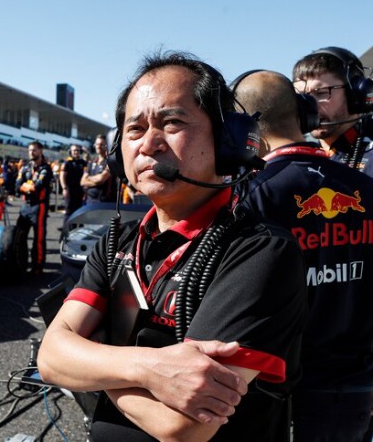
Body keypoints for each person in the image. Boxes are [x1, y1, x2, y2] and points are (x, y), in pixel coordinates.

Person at [37, 52, 308, 442]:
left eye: (172, 123)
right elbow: (51, 357)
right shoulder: (117, 242)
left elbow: (183, 426)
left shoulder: (262, 252)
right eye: (134, 129)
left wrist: (95, 357)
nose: (149, 144)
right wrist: (150, 368)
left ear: (228, 140)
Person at [234, 70, 373, 442]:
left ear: (244, 125)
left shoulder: (252, 194)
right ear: (303, 113)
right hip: (357, 391)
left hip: (283, 394)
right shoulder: (365, 187)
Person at [293, 47, 373, 177]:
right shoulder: (297, 159)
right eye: (302, 96)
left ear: (354, 94)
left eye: (321, 93)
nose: (309, 105)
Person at [16, 141, 53, 275]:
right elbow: (16, 186)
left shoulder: (46, 168)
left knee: (39, 238)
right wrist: (28, 187)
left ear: (40, 151)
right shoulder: (25, 168)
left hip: (39, 206)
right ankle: (21, 262)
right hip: (25, 206)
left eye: (34, 150)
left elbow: (37, 187)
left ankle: (38, 266)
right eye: (30, 150)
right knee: (19, 236)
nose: (31, 152)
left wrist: (26, 186)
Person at [81, 134, 116, 203]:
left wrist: (88, 178)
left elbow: (101, 179)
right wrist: (96, 182)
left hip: (104, 201)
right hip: (89, 200)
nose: (98, 146)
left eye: (101, 144)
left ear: (106, 146)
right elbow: (82, 182)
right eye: (97, 144)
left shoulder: (110, 162)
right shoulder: (92, 162)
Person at [60, 144, 87, 221]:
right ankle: (66, 227)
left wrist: (86, 152)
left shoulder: (82, 162)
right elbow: (62, 176)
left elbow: (89, 166)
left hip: (79, 189)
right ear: (70, 152)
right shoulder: (67, 162)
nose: (76, 152)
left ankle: (78, 227)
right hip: (69, 189)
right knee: (69, 210)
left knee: (79, 210)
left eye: (77, 150)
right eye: (74, 150)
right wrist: (64, 188)